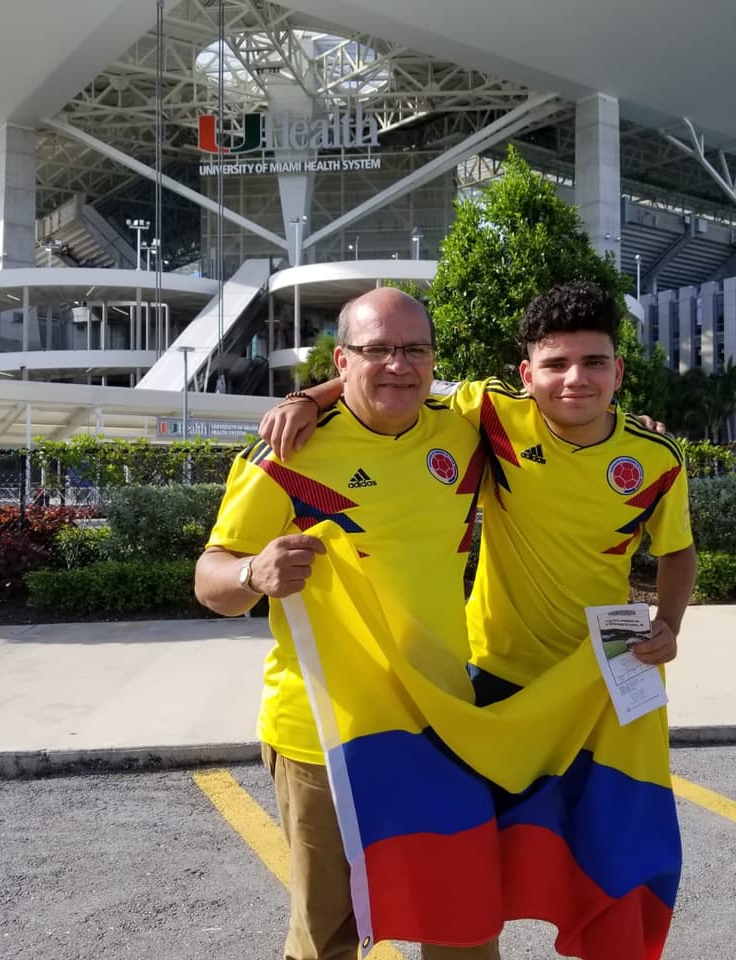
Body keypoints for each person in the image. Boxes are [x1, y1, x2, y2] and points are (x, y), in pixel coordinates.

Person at [194, 287, 496, 960]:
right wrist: (253, 574)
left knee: (463, 927)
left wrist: (631, 426)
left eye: (414, 349)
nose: (398, 365)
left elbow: (562, 411)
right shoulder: (286, 453)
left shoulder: (464, 431)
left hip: (441, 721)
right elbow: (210, 578)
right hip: (322, 735)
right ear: (342, 358)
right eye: (376, 350)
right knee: (327, 936)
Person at [263, 280, 697, 704]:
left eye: (594, 362)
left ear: (617, 372)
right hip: (497, 666)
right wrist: (308, 397)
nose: (576, 379)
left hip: (611, 662)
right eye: (556, 364)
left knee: (630, 757)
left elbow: (677, 549)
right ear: (527, 375)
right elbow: (396, 379)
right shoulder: (493, 410)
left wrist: (669, 624)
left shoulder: (658, 456)